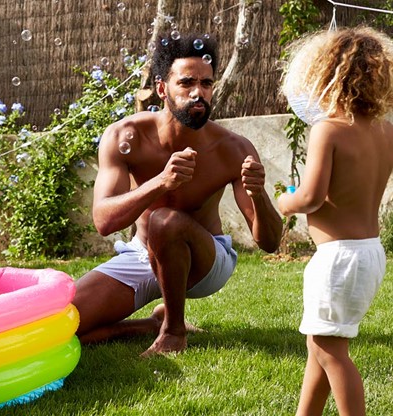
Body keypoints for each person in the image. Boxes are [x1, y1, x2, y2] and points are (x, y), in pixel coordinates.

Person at [72, 32, 282, 356]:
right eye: (186, 83)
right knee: (66, 323)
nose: (199, 93)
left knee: (165, 220)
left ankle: (173, 331)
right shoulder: (124, 136)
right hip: (143, 256)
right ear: (161, 88)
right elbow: (103, 221)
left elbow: (269, 242)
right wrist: (160, 182)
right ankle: (148, 325)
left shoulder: (233, 148)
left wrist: (259, 195)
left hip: (206, 262)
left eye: (207, 84)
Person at [278, 26, 393, 416]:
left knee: (331, 352)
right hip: (369, 254)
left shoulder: (327, 129)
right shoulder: (385, 132)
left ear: (325, 74)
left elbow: (310, 197)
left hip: (338, 259)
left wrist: (285, 200)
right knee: (321, 346)